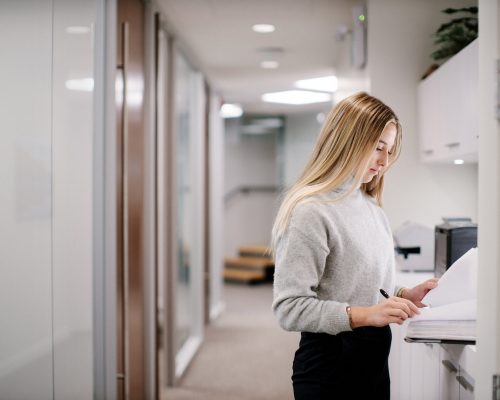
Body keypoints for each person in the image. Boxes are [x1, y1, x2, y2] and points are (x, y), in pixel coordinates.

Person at [271, 92, 438, 399]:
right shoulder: (311, 211)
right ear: (348, 140)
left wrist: (402, 293)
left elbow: (360, 283)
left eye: (389, 151)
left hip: (373, 362)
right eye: (378, 148)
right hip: (330, 367)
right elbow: (289, 307)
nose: (384, 162)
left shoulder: (370, 205)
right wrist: (366, 315)